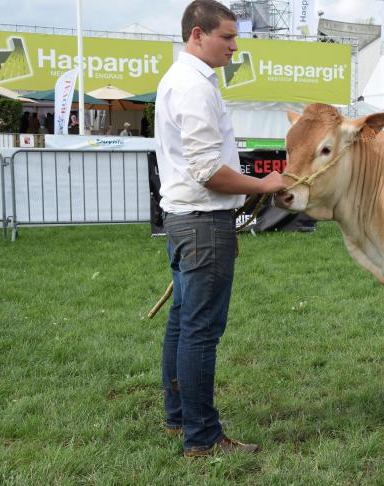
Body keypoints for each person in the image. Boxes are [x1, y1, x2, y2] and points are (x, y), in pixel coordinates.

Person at [155, 0, 287, 458]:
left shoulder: (186, 80)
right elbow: (209, 171)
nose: (235, 46)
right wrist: (262, 182)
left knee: (183, 324)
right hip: (202, 224)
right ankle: (203, 437)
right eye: (227, 37)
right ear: (197, 34)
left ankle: (180, 419)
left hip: (186, 220)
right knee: (200, 331)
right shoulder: (193, 87)